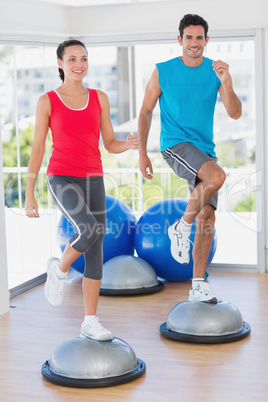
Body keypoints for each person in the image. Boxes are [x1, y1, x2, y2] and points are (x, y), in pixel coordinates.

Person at [25, 39, 139, 340]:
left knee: (95, 246)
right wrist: (29, 192)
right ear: (60, 64)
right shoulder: (47, 101)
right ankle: (59, 269)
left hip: (93, 177)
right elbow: (38, 148)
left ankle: (90, 320)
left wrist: (126, 145)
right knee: (89, 230)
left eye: (84, 59)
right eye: (72, 59)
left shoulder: (99, 98)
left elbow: (109, 143)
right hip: (62, 176)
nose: (79, 64)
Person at [138, 14, 242, 303]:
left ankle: (198, 284)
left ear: (206, 40)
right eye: (189, 37)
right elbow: (146, 111)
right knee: (217, 176)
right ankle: (180, 227)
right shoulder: (163, 71)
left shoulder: (215, 71)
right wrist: (142, 152)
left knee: (207, 217)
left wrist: (227, 82)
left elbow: (235, 112)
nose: (194, 43)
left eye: (199, 38)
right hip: (175, 144)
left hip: (203, 151)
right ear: (180, 40)